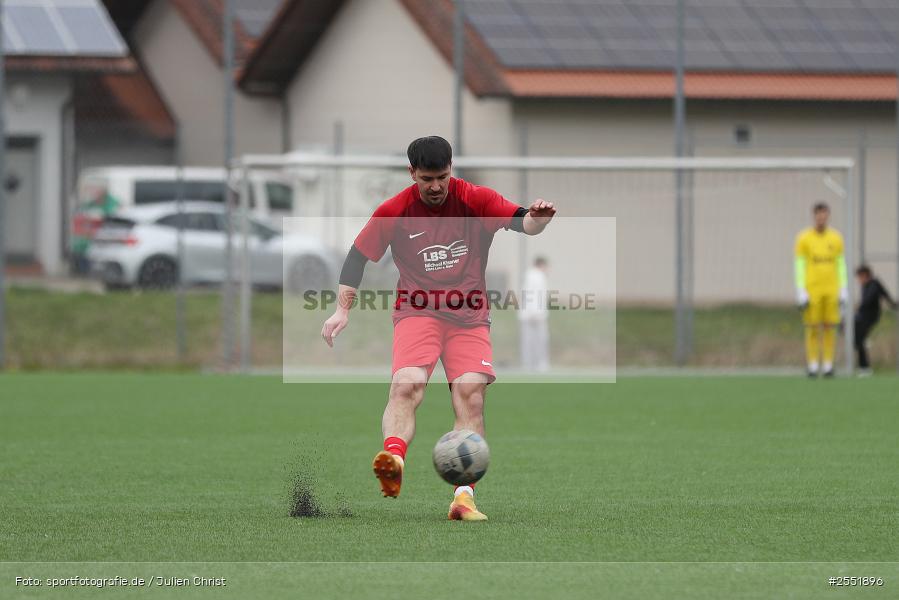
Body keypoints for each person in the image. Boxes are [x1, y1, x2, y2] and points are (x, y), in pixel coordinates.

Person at [320, 136, 555, 521]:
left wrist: (538, 220)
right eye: (427, 178)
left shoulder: (475, 200)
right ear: (412, 173)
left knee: (471, 396)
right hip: (417, 313)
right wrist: (341, 311)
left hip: (469, 318)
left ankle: (464, 498)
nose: (435, 186)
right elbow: (357, 258)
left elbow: (523, 221)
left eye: (442, 177)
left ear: (451, 170)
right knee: (407, 384)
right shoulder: (395, 210)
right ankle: (393, 460)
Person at [793, 202, 847, 378]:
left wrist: (843, 287)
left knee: (830, 327)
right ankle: (813, 364)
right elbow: (799, 264)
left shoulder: (836, 238)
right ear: (814, 216)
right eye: (818, 215)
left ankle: (828, 365)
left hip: (831, 288)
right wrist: (801, 289)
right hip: (812, 288)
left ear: (828, 216)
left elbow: (840, 264)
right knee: (812, 327)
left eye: (824, 215)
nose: (821, 218)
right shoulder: (804, 238)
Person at [853, 265, 897, 375]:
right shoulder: (866, 286)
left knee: (859, 339)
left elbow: (881, 296)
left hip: (869, 317)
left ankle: (865, 367)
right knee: (857, 339)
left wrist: (893, 304)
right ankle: (864, 365)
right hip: (862, 317)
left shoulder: (874, 284)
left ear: (865, 275)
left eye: (859, 277)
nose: (858, 280)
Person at [518, 256, 550, 372]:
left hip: (527, 313)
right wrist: (535, 312)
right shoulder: (538, 276)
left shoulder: (528, 275)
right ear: (542, 265)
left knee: (528, 340)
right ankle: (540, 363)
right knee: (540, 339)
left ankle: (528, 363)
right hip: (536, 314)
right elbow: (535, 295)